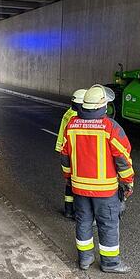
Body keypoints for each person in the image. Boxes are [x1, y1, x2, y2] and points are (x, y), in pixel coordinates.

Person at [60, 84, 134, 273]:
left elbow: (65, 156)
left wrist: (68, 178)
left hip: (78, 187)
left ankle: (85, 259)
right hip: (105, 190)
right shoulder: (110, 127)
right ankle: (110, 263)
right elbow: (123, 158)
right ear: (102, 107)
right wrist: (127, 182)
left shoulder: (72, 125)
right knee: (108, 224)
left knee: (83, 221)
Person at [55, 89, 87, 219]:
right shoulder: (77, 117)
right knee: (79, 183)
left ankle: (68, 209)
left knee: (69, 181)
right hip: (73, 153)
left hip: (64, 151)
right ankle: (79, 212)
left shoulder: (69, 112)